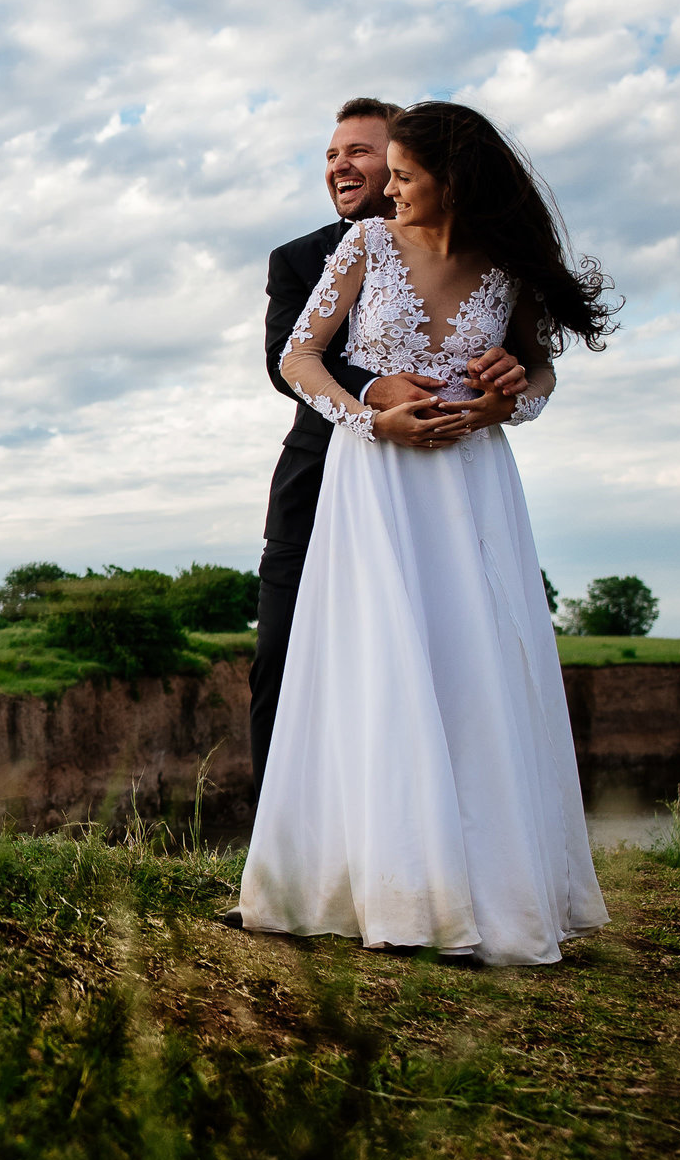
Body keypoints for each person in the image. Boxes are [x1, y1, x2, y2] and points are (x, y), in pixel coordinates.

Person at [238, 101, 618, 965]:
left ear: (450, 179)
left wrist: (509, 393)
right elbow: (296, 358)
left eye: (396, 172)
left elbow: (538, 370)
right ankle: (376, 882)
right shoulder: (363, 247)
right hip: (375, 482)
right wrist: (374, 417)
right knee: (376, 668)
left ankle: (487, 889)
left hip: (475, 488)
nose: (383, 188)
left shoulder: (506, 266)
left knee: (475, 666)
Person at [248, 99, 526, 804]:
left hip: (452, 482)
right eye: (332, 154)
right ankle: (284, 847)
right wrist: (375, 393)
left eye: (362, 153)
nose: (342, 165)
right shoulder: (303, 256)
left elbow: (527, 358)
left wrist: (509, 384)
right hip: (324, 478)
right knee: (285, 657)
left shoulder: (492, 258)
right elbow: (289, 359)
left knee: (442, 655)